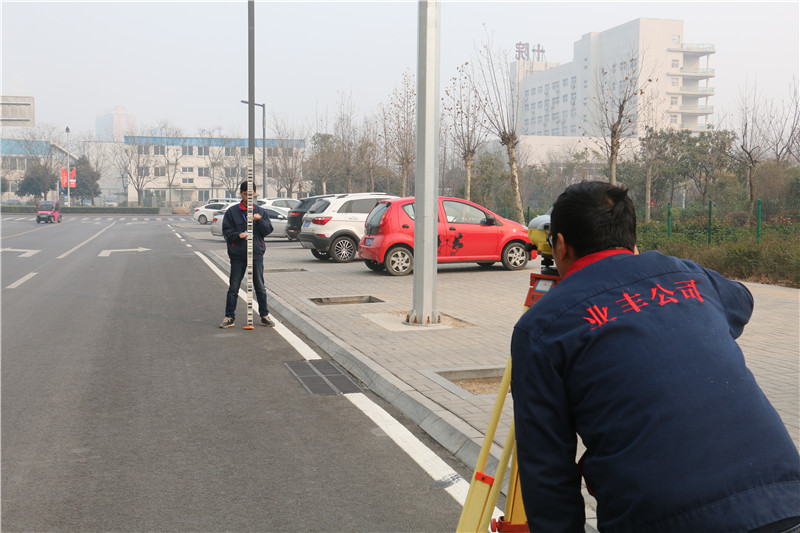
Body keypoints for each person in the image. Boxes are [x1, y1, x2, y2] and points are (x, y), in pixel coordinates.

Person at [511, 181, 800, 532]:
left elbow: (547, 471)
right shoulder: (687, 276)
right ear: (632, 240)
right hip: (785, 502)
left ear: (559, 245)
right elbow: (741, 300)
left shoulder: (542, 326)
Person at [219, 181, 275, 328]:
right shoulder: (232, 212)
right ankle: (229, 317)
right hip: (238, 255)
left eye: (250, 194)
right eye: (245, 194)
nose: (248, 197)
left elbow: (268, 230)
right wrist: (239, 235)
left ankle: (264, 315)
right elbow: (226, 232)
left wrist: (260, 220)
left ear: (255, 193)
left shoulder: (260, 212)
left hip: (256, 254)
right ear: (241, 193)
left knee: (260, 286)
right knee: (233, 287)